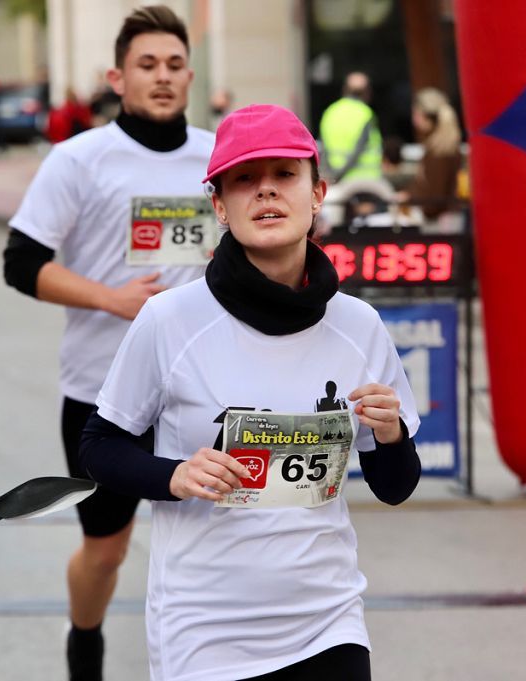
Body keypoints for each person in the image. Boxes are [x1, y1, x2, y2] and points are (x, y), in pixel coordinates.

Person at [79, 104, 421, 681]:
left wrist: (389, 437)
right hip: (204, 628)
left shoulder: (359, 325)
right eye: (244, 178)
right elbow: (98, 447)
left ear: (317, 193)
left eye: (285, 175)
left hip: (328, 622)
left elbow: (394, 487)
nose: (266, 191)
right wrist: (173, 475)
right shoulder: (171, 320)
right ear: (219, 205)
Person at [2, 6, 214, 680]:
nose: (162, 77)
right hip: (103, 393)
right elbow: (19, 261)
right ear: (116, 77)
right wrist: (111, 298)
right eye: (147, 65)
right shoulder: (79, 159)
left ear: (189, 74)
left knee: (214, 540)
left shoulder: (219, 158)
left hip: (203, 390)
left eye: (174, 65)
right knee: (106, 548)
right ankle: (84, 641)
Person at [396, 87, 464, 231]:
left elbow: (434, 197)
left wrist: (409, 198)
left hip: (440, 225)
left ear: (424, 116)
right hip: (450, 220)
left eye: (415, 113)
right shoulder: (447, 146)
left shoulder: (438, 151)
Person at [319, 71, 383, 183]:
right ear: (367, 92)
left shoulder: (330, 112)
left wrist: (332, 174)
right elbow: (359, 149)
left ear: (345, 89)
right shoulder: (365, 113)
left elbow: (323, 148)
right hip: (365, 180)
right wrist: (340, 173)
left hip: (335, 179)